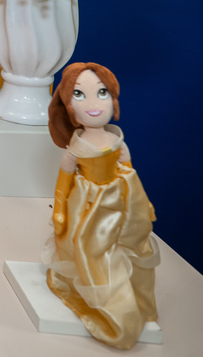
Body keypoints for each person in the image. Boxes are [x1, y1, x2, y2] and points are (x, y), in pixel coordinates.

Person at [43, 62, 158, 350]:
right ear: (69, 106)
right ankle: (100, 298)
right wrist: (59, 211)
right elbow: (63, 183)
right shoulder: (75, 149)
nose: (93, 104)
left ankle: (125, 298)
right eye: (79, 95)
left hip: (119, 203)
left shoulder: (117, 143)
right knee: (88, 248)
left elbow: (129, 172)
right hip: (86, 207)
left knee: (123, 249)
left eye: (102, 92)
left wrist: (143, 203)